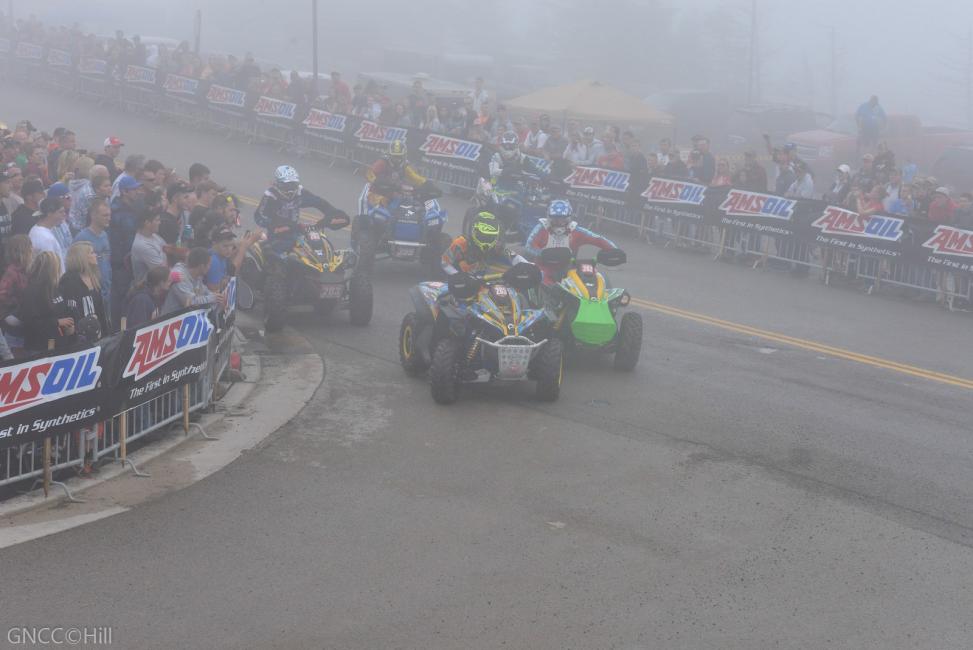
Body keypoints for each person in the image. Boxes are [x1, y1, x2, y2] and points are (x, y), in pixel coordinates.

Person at [254, 165, 348, 256]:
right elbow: (259, 216)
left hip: (297, 231)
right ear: (278, 184)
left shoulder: (300, 192)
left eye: (293, 185)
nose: (290, 191)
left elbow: (320, 203)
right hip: (278, 235)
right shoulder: (271, 195)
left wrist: (334, 214)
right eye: (287, 186)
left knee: (320, 244)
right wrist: (274, 226)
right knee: (279, 253)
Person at [525, 200, 618, 284]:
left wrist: (614, 250)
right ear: (549, 218)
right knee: (543, 280)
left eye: (563, 219)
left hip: (569, 268)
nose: (559, 223)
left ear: (569, 218)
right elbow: (529, 247)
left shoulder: (576, 230)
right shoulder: (541, 228)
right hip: (543, 267)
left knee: (594, 276)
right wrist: (543, 254)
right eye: (555, 219)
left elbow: (598, 239)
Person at [20, 251, 75, 352]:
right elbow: (30, 322)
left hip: (59, 344)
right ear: (51, 269)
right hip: (39, 347)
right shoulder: (32, 291)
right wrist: (56, 322)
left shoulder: (56, 287)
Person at [441, 211, 525, 276]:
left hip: (486, 287)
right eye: (484, 236)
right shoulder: (460, 243)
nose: (487, 242)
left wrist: (531, 266)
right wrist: (457, 275)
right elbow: (444, 262)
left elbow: (514, 257)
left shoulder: (496, 246)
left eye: (490, 237)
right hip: (461, 286)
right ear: (474, 231)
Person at [59, 241, 109, 340]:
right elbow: (70, 311)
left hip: (98, 334)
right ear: (81, 258)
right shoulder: (69, 281)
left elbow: (100, 310)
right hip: (80, 338)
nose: (95, 255)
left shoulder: (94, 277)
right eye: (91, 253)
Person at [73, 198, 112, 314]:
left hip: (106, 290)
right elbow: (76, 267)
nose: (109, 218)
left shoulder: (104, 235)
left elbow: (107, 261)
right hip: (92, 293)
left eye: (109, 215)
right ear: (93, 216)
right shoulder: (82, 238)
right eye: (105, 215)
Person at [364, 140, 428, 209]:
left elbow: (415, 177)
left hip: (394, 194)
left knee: (411, 204)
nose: (397, 159)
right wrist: (378, 181)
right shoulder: (382, 162)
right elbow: (369, 173)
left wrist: (426, 183)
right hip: (377, 193)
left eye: (399, 156)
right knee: (384, 206)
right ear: (389, 155)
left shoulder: (405, 166)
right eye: (395, 156)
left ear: (404, 155)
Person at [162, 246, 226, 314]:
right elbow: (190, 301)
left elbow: (204, 290)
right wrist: (212, 298)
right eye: (209, 265)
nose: (210, 268)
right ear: (202, 266)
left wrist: (216, 297)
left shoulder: (197, 275)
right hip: (171, 319)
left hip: (188, 315)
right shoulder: (180, 276)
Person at [0, 235, 32, 353]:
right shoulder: (12, 271)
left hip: (26, 323)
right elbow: (2, 295)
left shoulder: (28, 269)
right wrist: (10, 312)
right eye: (30, 247)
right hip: (15, 325)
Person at [29, 196, 68, 271]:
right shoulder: (45, 238)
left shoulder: (37, 229)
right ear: (49, 214)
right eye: (60, 212)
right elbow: (50, 268)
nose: (64, 214)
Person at [130, 208, 168, 284]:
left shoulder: (154, 236)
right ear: (147, 223)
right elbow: (162, 272)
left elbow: (168, 250)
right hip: (150, 288)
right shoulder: (142, 245)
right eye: (157, 220)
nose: (159, 222)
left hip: (161, 282)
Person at [160, 180, 194, 245]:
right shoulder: (166, 222)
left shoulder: (185, 216)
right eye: (185, 197)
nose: (189, 201)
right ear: (175, 198)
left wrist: (189, 226)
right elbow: (175, 249)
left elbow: (187, 239)